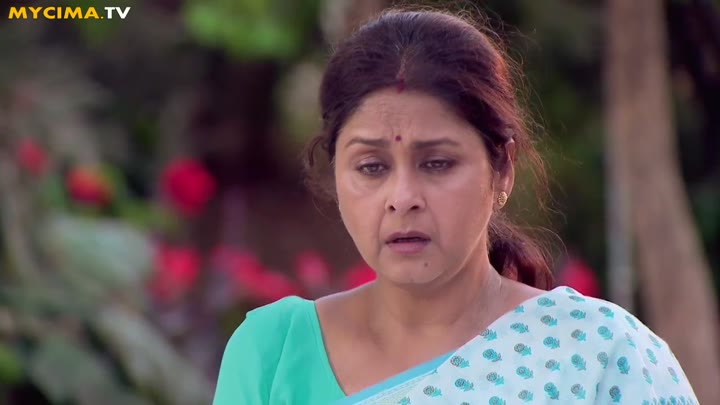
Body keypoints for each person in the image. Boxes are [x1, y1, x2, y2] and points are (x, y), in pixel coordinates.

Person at [212, 9, 698, 405]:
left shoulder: (600, 356)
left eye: (438, 163)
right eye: (371, 167)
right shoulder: (272, 354)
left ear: (502, 169)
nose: (403, 198)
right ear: (335, 174)